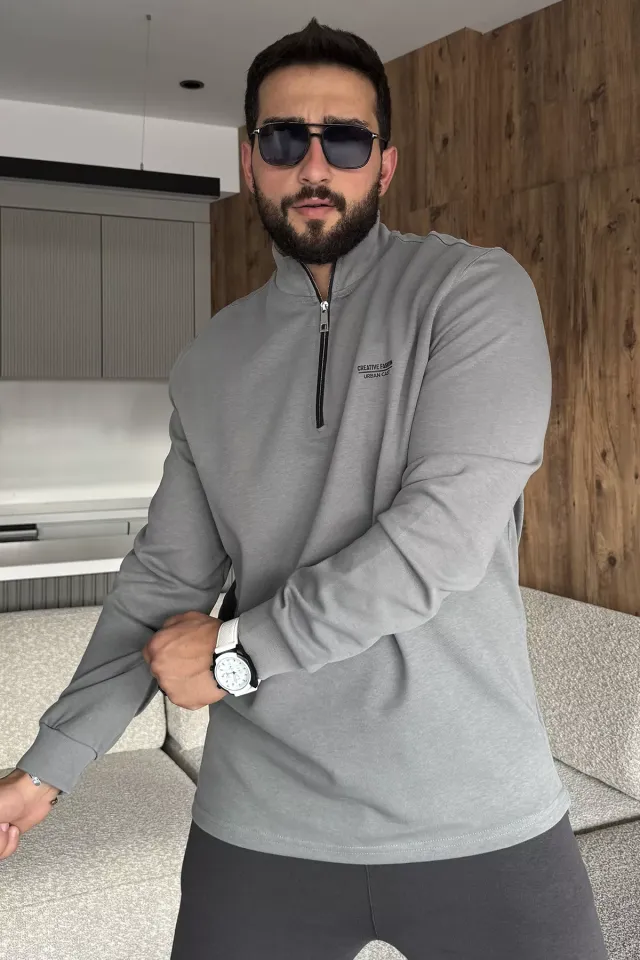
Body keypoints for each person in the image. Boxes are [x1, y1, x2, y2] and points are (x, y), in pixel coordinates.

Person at [0, 17, 608, 960]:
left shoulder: (473, 294)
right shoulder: (211, 360)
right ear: (249, 161)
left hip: (478, 814)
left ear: (386, 164)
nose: (314, 165)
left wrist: (234, 658)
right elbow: (163, 583)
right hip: (259, 827)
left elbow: (437, 541)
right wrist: (47, 767)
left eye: (345, 140)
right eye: (284, 139)